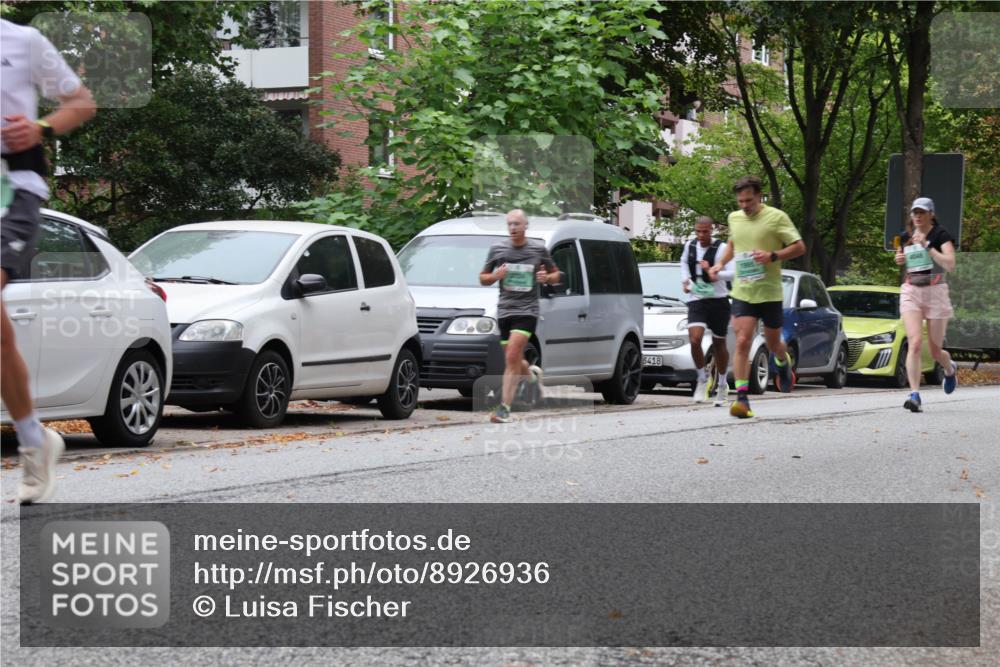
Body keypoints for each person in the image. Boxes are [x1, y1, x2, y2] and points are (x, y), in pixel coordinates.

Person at [2, 18, 96, 503]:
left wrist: (39, 127)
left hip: (14, 187)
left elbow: (80, 102)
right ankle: (36, 441)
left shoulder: (23, 41)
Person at [709, 176, 805, 418]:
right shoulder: (734, 218)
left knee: (773, 343)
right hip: (743, 290)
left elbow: (799, 246)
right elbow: (733, 243)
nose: (744, 205)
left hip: (770, 291)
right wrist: (720, 263)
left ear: (760, 196)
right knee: (742, 341)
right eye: (740, 201)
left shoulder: (776, 217)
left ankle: (783, 362)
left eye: (749, 200)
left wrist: (773, 256)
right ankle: (742, 398)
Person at [479, 209, 560, 424]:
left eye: (516, 224)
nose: (512, 228)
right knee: (514, 359)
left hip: (527, 310)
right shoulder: (498, 249)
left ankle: (504, 408)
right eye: (509, 224)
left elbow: (556, 275)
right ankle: (531, 376)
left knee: (512, 355)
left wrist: (546, 277)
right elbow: (483, 278)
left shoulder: (538, 249)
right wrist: (495, 275)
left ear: (525, 226)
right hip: (505, 310)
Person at [894, 197, 958, 412]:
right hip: (911, 290)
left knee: (935, 350)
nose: (918, 216)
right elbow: (906, 260)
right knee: (914, 343)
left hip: (936, 292)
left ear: (931, 214)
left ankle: (949, 369)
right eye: (915, 212)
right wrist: (900, 258)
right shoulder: (905, 237)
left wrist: (928, 246)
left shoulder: (941, 235)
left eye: (922, 212)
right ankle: (914, 395)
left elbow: (950, 265)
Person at [680, 215, 734, 406]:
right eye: (698, 231)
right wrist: (686, 280)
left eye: (706, 231)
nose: (701, 235)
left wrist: (714, 271)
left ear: (712, 230)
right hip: (697, 299)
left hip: (718, 300)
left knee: (719, 344)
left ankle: (722, 384)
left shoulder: (721, 249)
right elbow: (684, 263)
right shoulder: (691, 246)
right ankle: (702, 379)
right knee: (694, 339)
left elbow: (732, 272)